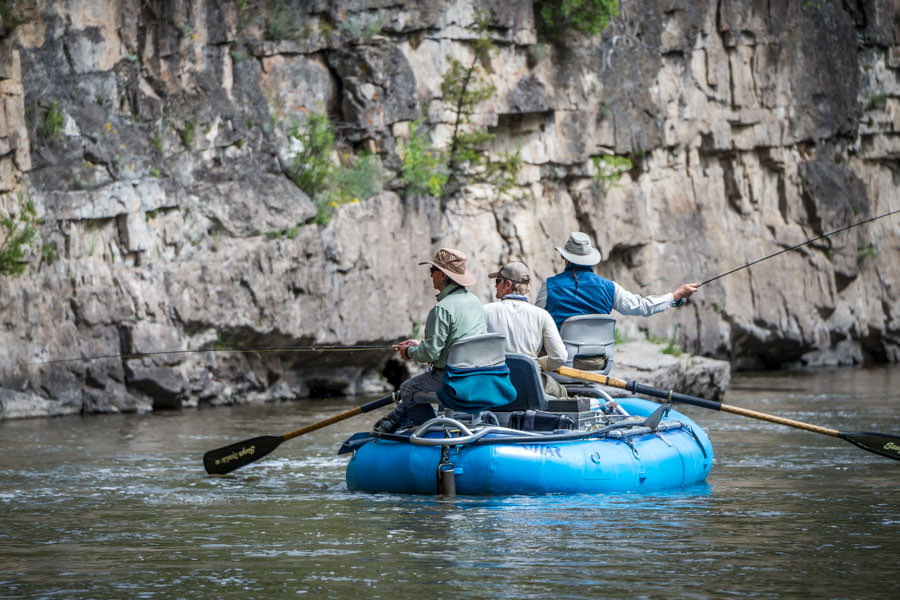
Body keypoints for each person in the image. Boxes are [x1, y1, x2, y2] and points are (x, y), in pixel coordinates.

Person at [372, 248, 488, 433]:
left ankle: (432, 431)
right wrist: (421, 345)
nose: (430, 275)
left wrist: (408, 352)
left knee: (407, 389)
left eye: (432, 271)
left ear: (442, 275)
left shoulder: (442, 309)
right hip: (479, 376)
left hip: (452, 378)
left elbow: (432, 353)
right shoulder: (474, 302)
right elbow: (459, 342)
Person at [536, 232, 698, 328]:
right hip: (597, 362)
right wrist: (676, 295)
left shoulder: (549, 286)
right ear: (590, 259)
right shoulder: (609, 287)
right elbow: (642, 307)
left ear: (565, 258)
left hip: (559, 363)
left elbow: (535, 323)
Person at [483, 261, 568, 397]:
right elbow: (560, 357)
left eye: (498, 281)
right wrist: (537, 363)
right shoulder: (542, 315)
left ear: (508, 284)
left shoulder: (485, 311)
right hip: (530, 387)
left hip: (494, 388)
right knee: (562, 393)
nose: (495, 285)